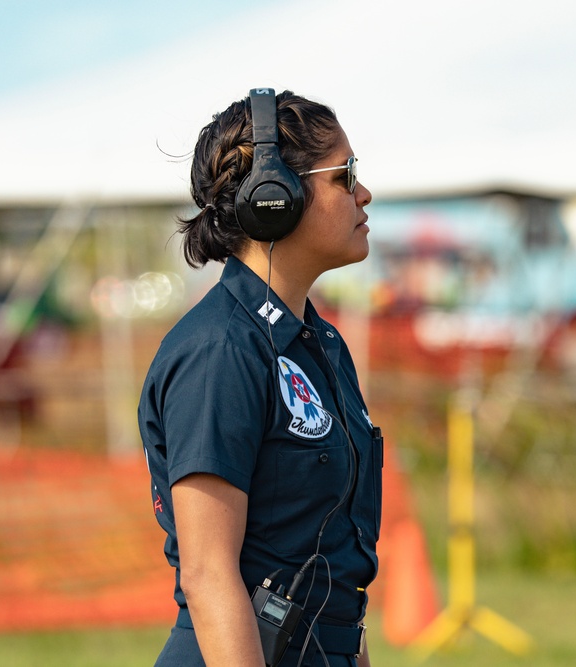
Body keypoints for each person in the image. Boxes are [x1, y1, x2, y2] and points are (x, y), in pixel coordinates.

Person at [138, 88, 381, 667]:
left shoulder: (318, 342)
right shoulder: (221, 350)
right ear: (276, 197)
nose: (365, 193)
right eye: (345, 175)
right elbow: (207, 573)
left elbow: (328, 563)